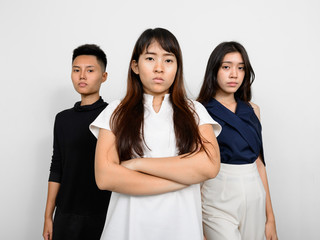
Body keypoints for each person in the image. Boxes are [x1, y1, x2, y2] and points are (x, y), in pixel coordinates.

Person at [89, 28, 221, 240]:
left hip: (181, 228)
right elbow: (105, 177)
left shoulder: (195, 111)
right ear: (135, 66)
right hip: (127, 229)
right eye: (150, 58)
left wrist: (137, 164)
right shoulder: (115, 111)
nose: (159, 68)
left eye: (168, 60)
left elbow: (210, 165)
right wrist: (182, 179)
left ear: (177, 67)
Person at [198, 41, 278, 240]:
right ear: (214, 70)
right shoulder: (199, 110)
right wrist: (197, 221)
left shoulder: (253, 110)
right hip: (216, 194)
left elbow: (260, 164)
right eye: (226, 67)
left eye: (240, 68)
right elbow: (197, 167)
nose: (234, 74)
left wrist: (271, 219)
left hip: (254, 194)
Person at [43, 44, 111, 240]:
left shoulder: (113, 115)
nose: (82, 76)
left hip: (102, 213)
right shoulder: (63, 119)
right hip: (66, 214)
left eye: (90, 70)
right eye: (76, 70)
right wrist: (48, 215)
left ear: (104, 76)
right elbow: (57, 167)